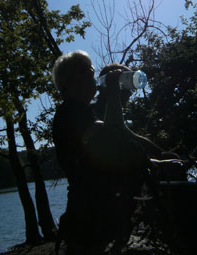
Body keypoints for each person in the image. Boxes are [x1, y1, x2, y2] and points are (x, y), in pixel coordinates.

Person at [51, 51, 151, 254]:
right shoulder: (71, 113)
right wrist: (113, 91)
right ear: (72, 80)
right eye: (89, 74)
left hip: (95, 211)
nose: (95, 81)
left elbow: (121, 136)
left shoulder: (79, 111)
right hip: (90, 217)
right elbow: (113, 136)